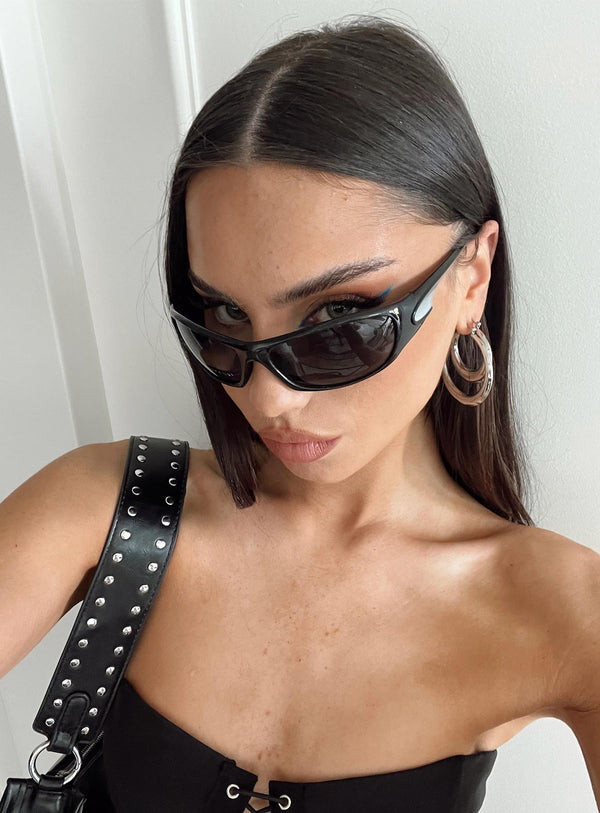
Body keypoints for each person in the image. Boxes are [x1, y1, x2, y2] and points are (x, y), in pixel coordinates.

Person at [1, 14, 599, 813]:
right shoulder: (117, 509)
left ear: (473, 277)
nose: (268, 397)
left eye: (339, 321)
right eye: (223, 317)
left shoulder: (562, 610)